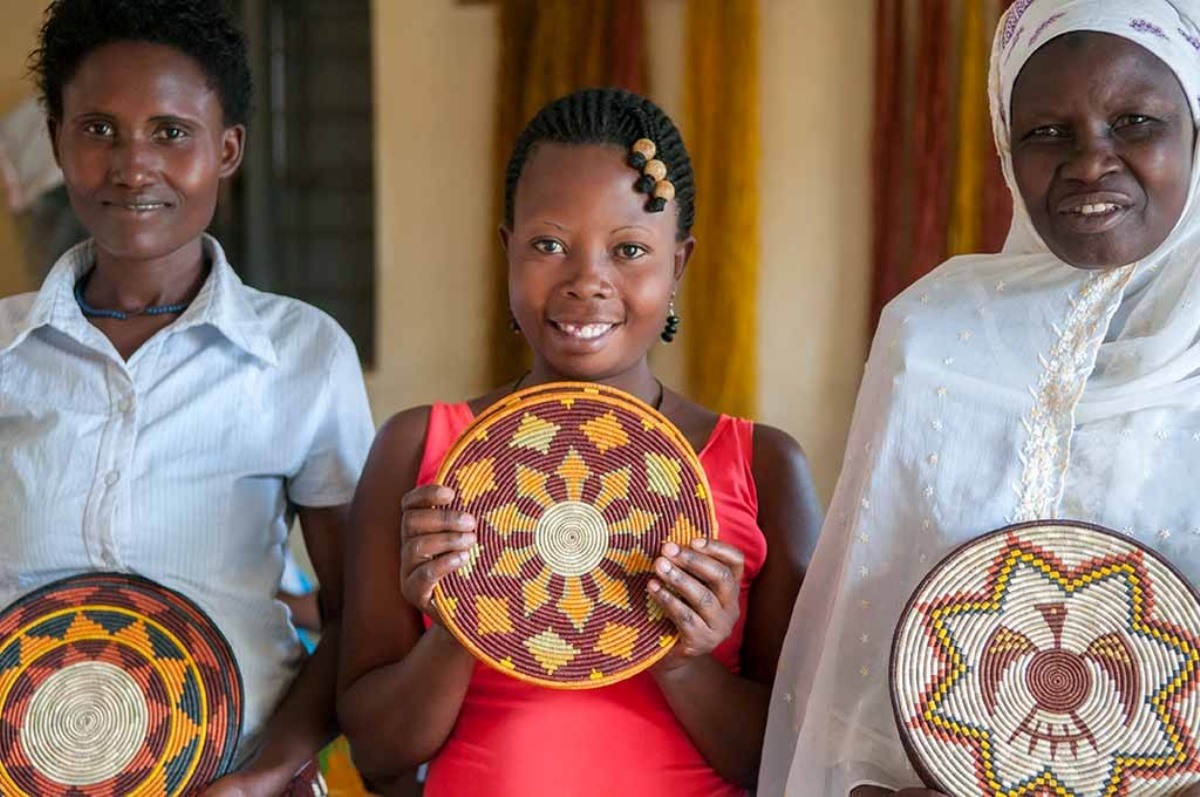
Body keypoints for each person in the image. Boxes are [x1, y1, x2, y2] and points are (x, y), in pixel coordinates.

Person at [758, 1, 1200, 795]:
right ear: (1004, 146)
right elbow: (851, 691)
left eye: (1135, 120)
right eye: (1046, 132)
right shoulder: (932, 336)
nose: (1091, 160)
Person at [337, 87, 823, 796]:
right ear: (506, 251)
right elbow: (377, 756)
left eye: (629, 249)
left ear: (679, 265)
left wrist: (681, 656)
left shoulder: (764, 466)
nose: (587, 281)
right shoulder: (420, 449)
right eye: (549, 244)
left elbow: (786, 766)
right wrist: (462, 623)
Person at [0, 1, 374, 793]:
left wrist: (266, 776)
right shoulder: (5, 351)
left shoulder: (300, 355)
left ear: (227, 148)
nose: (134, 167)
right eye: (98, 129)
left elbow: (355, 621)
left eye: (171, 131)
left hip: (236, 774)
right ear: (59, 141)